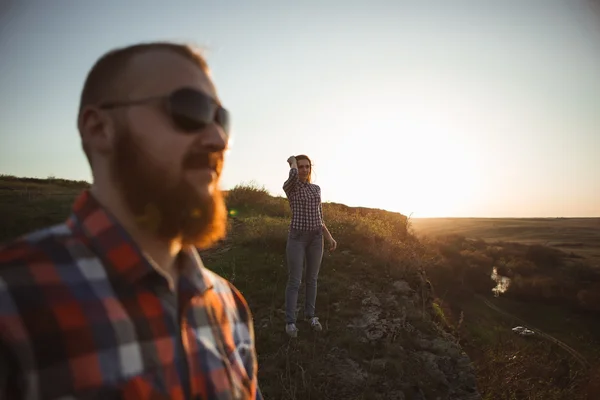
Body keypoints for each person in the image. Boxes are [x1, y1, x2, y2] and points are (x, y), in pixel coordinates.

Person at [0, 42, 262, 400]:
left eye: (222, 119)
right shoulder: (13, 300)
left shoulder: (229, 306)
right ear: (99, 128)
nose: (218, 139)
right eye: (190, 109)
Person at [282, 155, 337, 338]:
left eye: (307, 167)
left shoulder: (316, 189)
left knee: (312, 279)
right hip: (297, 238)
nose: (304, 170)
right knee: (295, 280)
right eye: (301, 167)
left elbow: (319, 216)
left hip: (316, 238)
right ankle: (290, 322)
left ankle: (310, 316)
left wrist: (328, 236)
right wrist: (292, 163)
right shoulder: (291, 187)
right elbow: (292, 177)